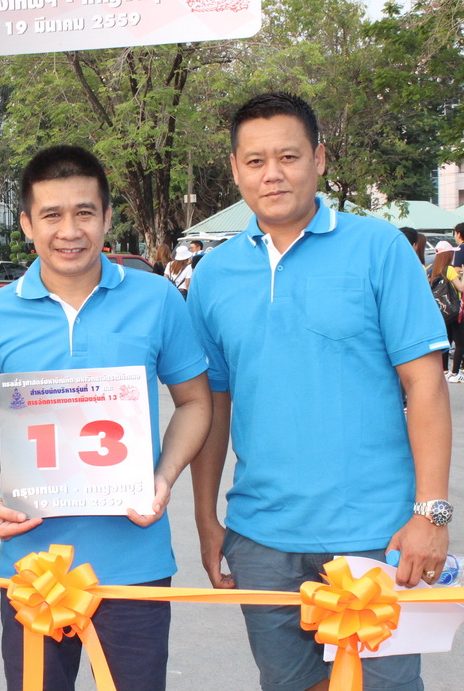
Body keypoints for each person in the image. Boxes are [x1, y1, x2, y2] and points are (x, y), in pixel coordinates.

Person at [188, 92, 452, 691]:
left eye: (288, 156)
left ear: (319, 159)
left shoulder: (379, 249)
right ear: (235, 169)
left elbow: (425, 385)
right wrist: (207, 519)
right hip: (261, 538)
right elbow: (212, 405)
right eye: (255, 161)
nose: (272, 174)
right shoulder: (214, 275)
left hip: (376, 536)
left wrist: (431, 512)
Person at [0, 145, 212, 691]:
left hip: (134, 564)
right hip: (32, 568)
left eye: (84, 212)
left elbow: (196, 402)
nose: (69, 231)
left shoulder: (156, 298)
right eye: (51, 215)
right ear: (27, 224)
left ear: (107, 217)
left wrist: (163, 477)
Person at [430, 241, 464, 381]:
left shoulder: (434, 269)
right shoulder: (449, 269)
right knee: (460, 342)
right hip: (455, 311)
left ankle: (444, 371)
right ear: (448, 255)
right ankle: (455, 373)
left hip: (443, 311)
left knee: (447, 341)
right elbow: (461, 287)